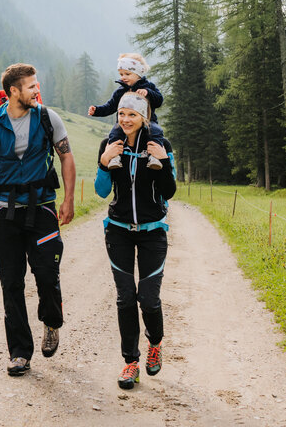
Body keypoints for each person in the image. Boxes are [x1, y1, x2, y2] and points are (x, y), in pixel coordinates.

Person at [0, 63, 77, 377]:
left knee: (46, 273)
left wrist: (68, 199)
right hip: (6, 212)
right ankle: (19, 353)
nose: (37, 90)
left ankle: (52, 322)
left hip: (42, 209)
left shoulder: (47, 118)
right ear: (13, 91)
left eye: (36, 84)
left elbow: (66, 156)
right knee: (11, 283)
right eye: (31, 86)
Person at [94, 92, 176, 389]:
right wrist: (104, 163)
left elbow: (168, 191)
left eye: (132, 114)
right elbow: (102, 191)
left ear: (144, 117)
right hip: (118, 231)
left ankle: (155, 343)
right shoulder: (110, 145)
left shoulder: (160, 146)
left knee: (148, 298)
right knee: (125, 296)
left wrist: (164, 162)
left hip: (153, 231)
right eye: (121, 114)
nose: (125, 120)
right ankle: (130, 362)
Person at [88, 53, 169, 170]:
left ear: (138, 73)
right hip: (125, 124)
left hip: (148, 121)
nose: (123, 77)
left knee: (156, 131)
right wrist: (97, 110)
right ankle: (115, 158)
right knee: (114, 133)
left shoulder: (149, 87)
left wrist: (148, 93)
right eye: (121, 74)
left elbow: (159, 100)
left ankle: (154, 157)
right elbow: (110, 106)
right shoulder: (120, 92)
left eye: (127, 74)